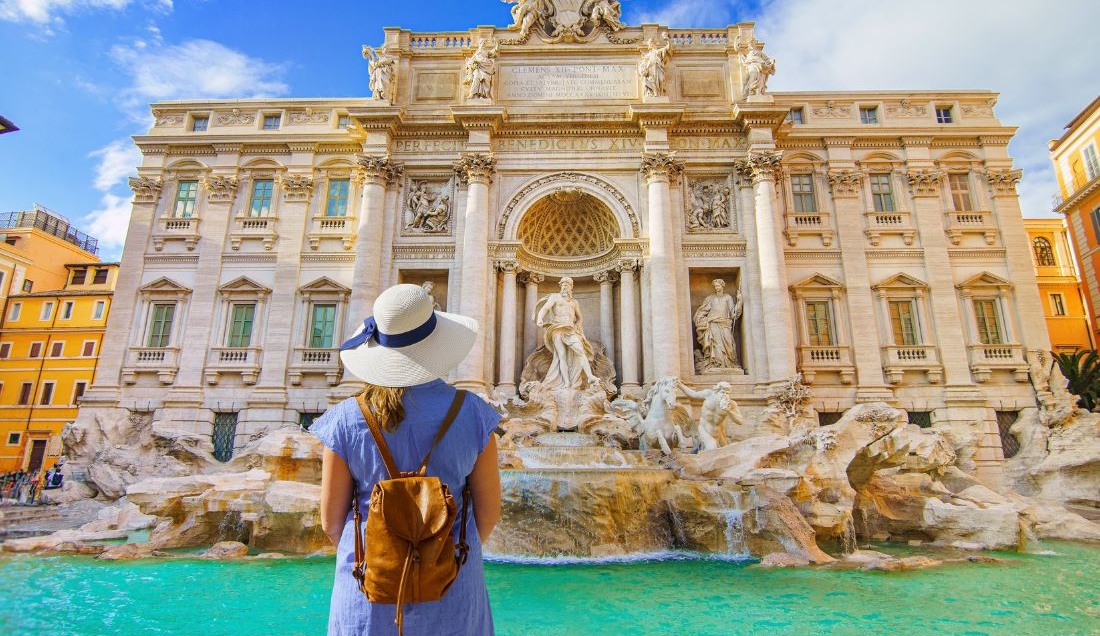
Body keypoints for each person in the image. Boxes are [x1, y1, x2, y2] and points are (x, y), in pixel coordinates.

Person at [312, 283, 501, 635]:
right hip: (454, 590)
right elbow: (488, 516)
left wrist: (387, 556)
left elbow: (331, 523)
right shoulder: (475, 415)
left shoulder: (344, 420)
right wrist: (435, 554)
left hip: (369, 593)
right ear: (436, 346)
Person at [535, 277, 600, 390]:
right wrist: (539, 318)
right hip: (557, 328)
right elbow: (545, 308)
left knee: (580, 351)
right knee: (561, 356)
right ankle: (566, 383)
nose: (565, 286)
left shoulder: (574, 302)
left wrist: (579, 326)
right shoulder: (555, 297)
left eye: (568, 284)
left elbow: (580, 317)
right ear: (560, 286)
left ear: (571, 287)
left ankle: (590, 376)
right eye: (563, 284)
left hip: (570, 329)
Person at [693, 278, 743, 370]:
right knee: (716, 345)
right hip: (713, 325)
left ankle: (729, 364)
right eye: (715, 286)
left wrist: (739, 301)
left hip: (725, 324)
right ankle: (717, 364)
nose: (716, 288)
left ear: (722, 285)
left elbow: (733, 314)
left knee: (729, 346)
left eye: (718, 286)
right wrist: (709, 319)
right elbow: (700, 313)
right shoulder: (710, 298)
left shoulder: (728, 297)